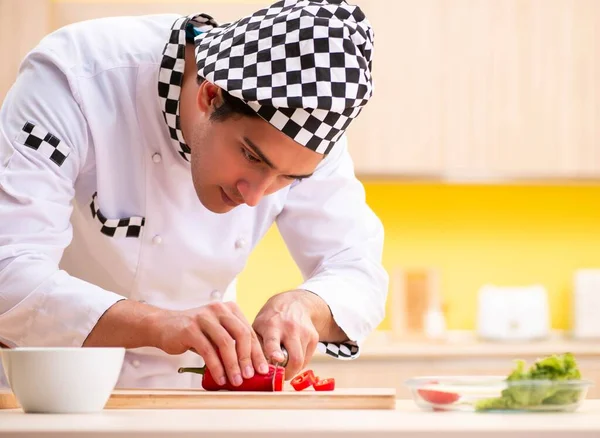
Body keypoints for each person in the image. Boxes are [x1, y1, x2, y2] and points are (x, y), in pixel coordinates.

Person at [0, 0, 388, 389]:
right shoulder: (77, 78)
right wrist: (159, 323)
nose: (256, 197)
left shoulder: (309, 131)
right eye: (251, 156)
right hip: (45, 391)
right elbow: (10, 268)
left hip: (186, 398)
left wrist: (305, 306)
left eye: (287, 177)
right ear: (210, 95)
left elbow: (357, 268)